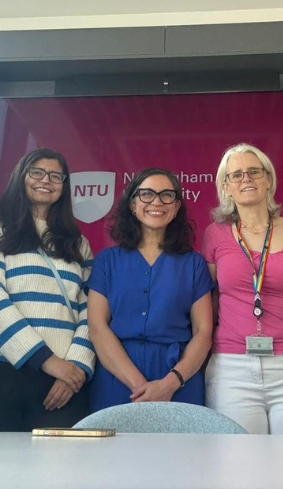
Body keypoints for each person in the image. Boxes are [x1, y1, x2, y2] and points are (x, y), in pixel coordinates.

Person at [0, 148, 94, 431]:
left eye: (56, 176)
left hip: (62, 380)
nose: (46, 180)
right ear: (20, 177)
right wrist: (44, 359)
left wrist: (76, 367)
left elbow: (92, 310)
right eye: (36, 172)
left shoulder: (78, 243)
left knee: (59, 460)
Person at [202, 143, 283, 435]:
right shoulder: (214, 235)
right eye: (236, 175)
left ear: (268, 179)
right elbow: (211, 304)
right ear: (226, 187)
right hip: (232, 370)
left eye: (254, 172)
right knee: (241, 463)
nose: (246, 179)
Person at [87, 168, 213, 412]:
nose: (157, 202)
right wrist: (141, 387)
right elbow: (97, 327)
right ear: (132, 204)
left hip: (178, 380)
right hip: (117, 377)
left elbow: (203, 331)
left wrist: (169, 384)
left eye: (167, 195)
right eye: (146, 194)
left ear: (176, 207)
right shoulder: (106, 261)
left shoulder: (194, 263)